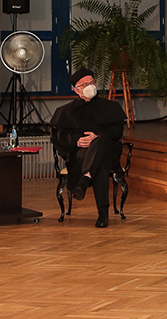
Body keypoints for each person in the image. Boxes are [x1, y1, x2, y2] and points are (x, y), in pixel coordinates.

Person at [50, 67, 127, 227]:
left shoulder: (111, 107)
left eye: (92, 83)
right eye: (85, 85)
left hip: (109, 152)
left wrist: (96, 137)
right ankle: (103, 214)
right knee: (100, 165)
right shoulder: (65, 111)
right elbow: (58, 137)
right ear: (77, 90)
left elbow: (117, 132)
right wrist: (77, 141)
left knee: (101, 140)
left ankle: (84, 182)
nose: (90, 86)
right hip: (80, 156)